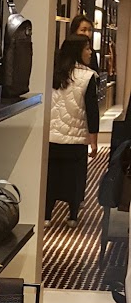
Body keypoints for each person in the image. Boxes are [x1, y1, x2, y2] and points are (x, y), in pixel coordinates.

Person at [45, 35, 99, 229]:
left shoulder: (52, 73)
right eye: (87, 48)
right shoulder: (87, 76)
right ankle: (72, 216)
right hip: (75, 138)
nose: (90, 52)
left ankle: (46, 215)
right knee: (74, 178)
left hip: (51, 137)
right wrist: (93, 140)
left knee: (51, 177)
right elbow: (92, 110)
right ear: (78, 51)